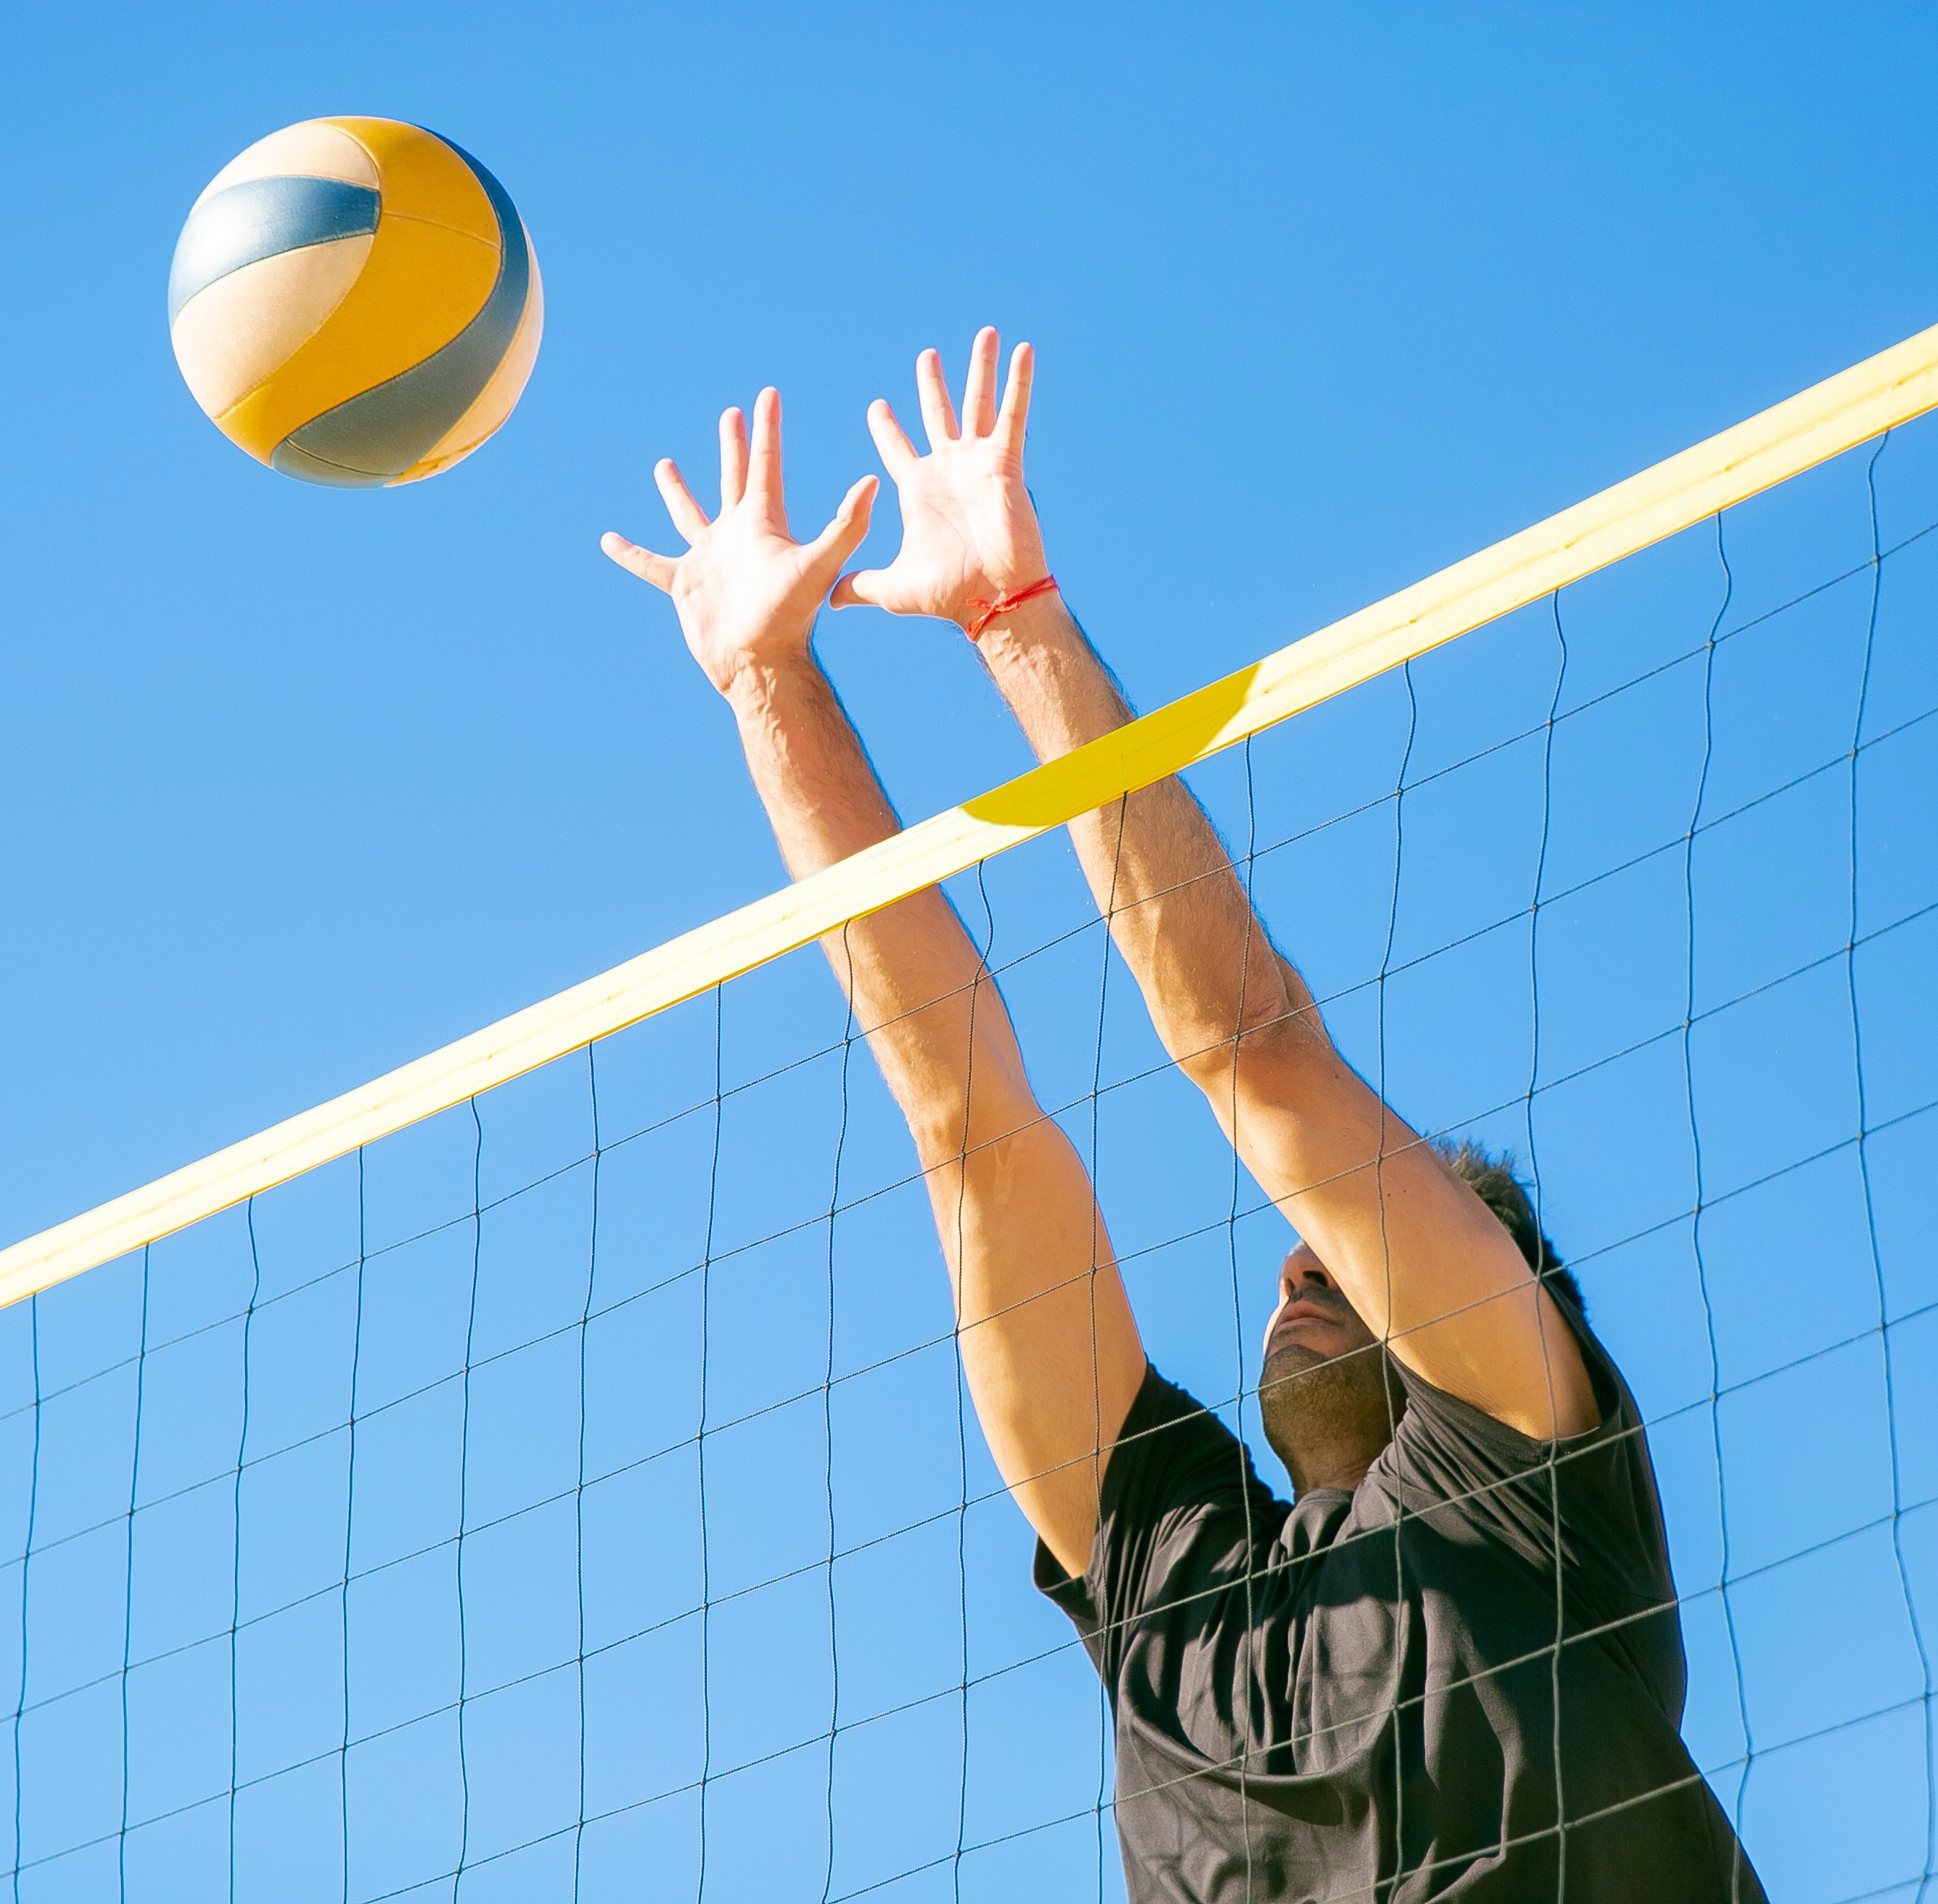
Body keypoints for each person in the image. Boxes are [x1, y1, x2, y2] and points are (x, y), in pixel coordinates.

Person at [601, 333, 1766, 1903]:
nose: (1298, 1272)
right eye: (1298, 1260)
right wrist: (767, 682)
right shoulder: (1168, 1582)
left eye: (1340, 1258)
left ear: (1502, 1286)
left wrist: (1020, 629)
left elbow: (1253, 1049)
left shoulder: (1521, 1481)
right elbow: (962, 1119)